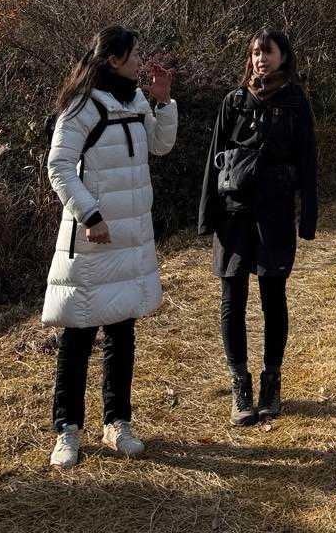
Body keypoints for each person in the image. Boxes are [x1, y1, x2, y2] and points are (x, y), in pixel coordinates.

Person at [43, 25, 178, 470]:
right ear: (114, 59)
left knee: (122, 331)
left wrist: (163, 101)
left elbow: (160, 146)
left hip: (131, 237)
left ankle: (117, 423)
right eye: (134, 54)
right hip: (92, 241)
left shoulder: (136, 101)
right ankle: (67, 429)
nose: (140, 61)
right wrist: (91, 215)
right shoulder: (82, 105)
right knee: (78, 335)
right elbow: (59, 166)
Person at [198, 28, 318, 427]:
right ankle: (240, 384)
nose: (260, 59)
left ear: (284, 56)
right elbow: (213, 158)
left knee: (273, 296)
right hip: (233, 213)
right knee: (232, 297)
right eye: (255, 53)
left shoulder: (296, 102)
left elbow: (307, 161)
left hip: (275, 211)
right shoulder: (234, 101)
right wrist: (206, 215)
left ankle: (271, 382)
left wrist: (308, 216)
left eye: (268, 52)